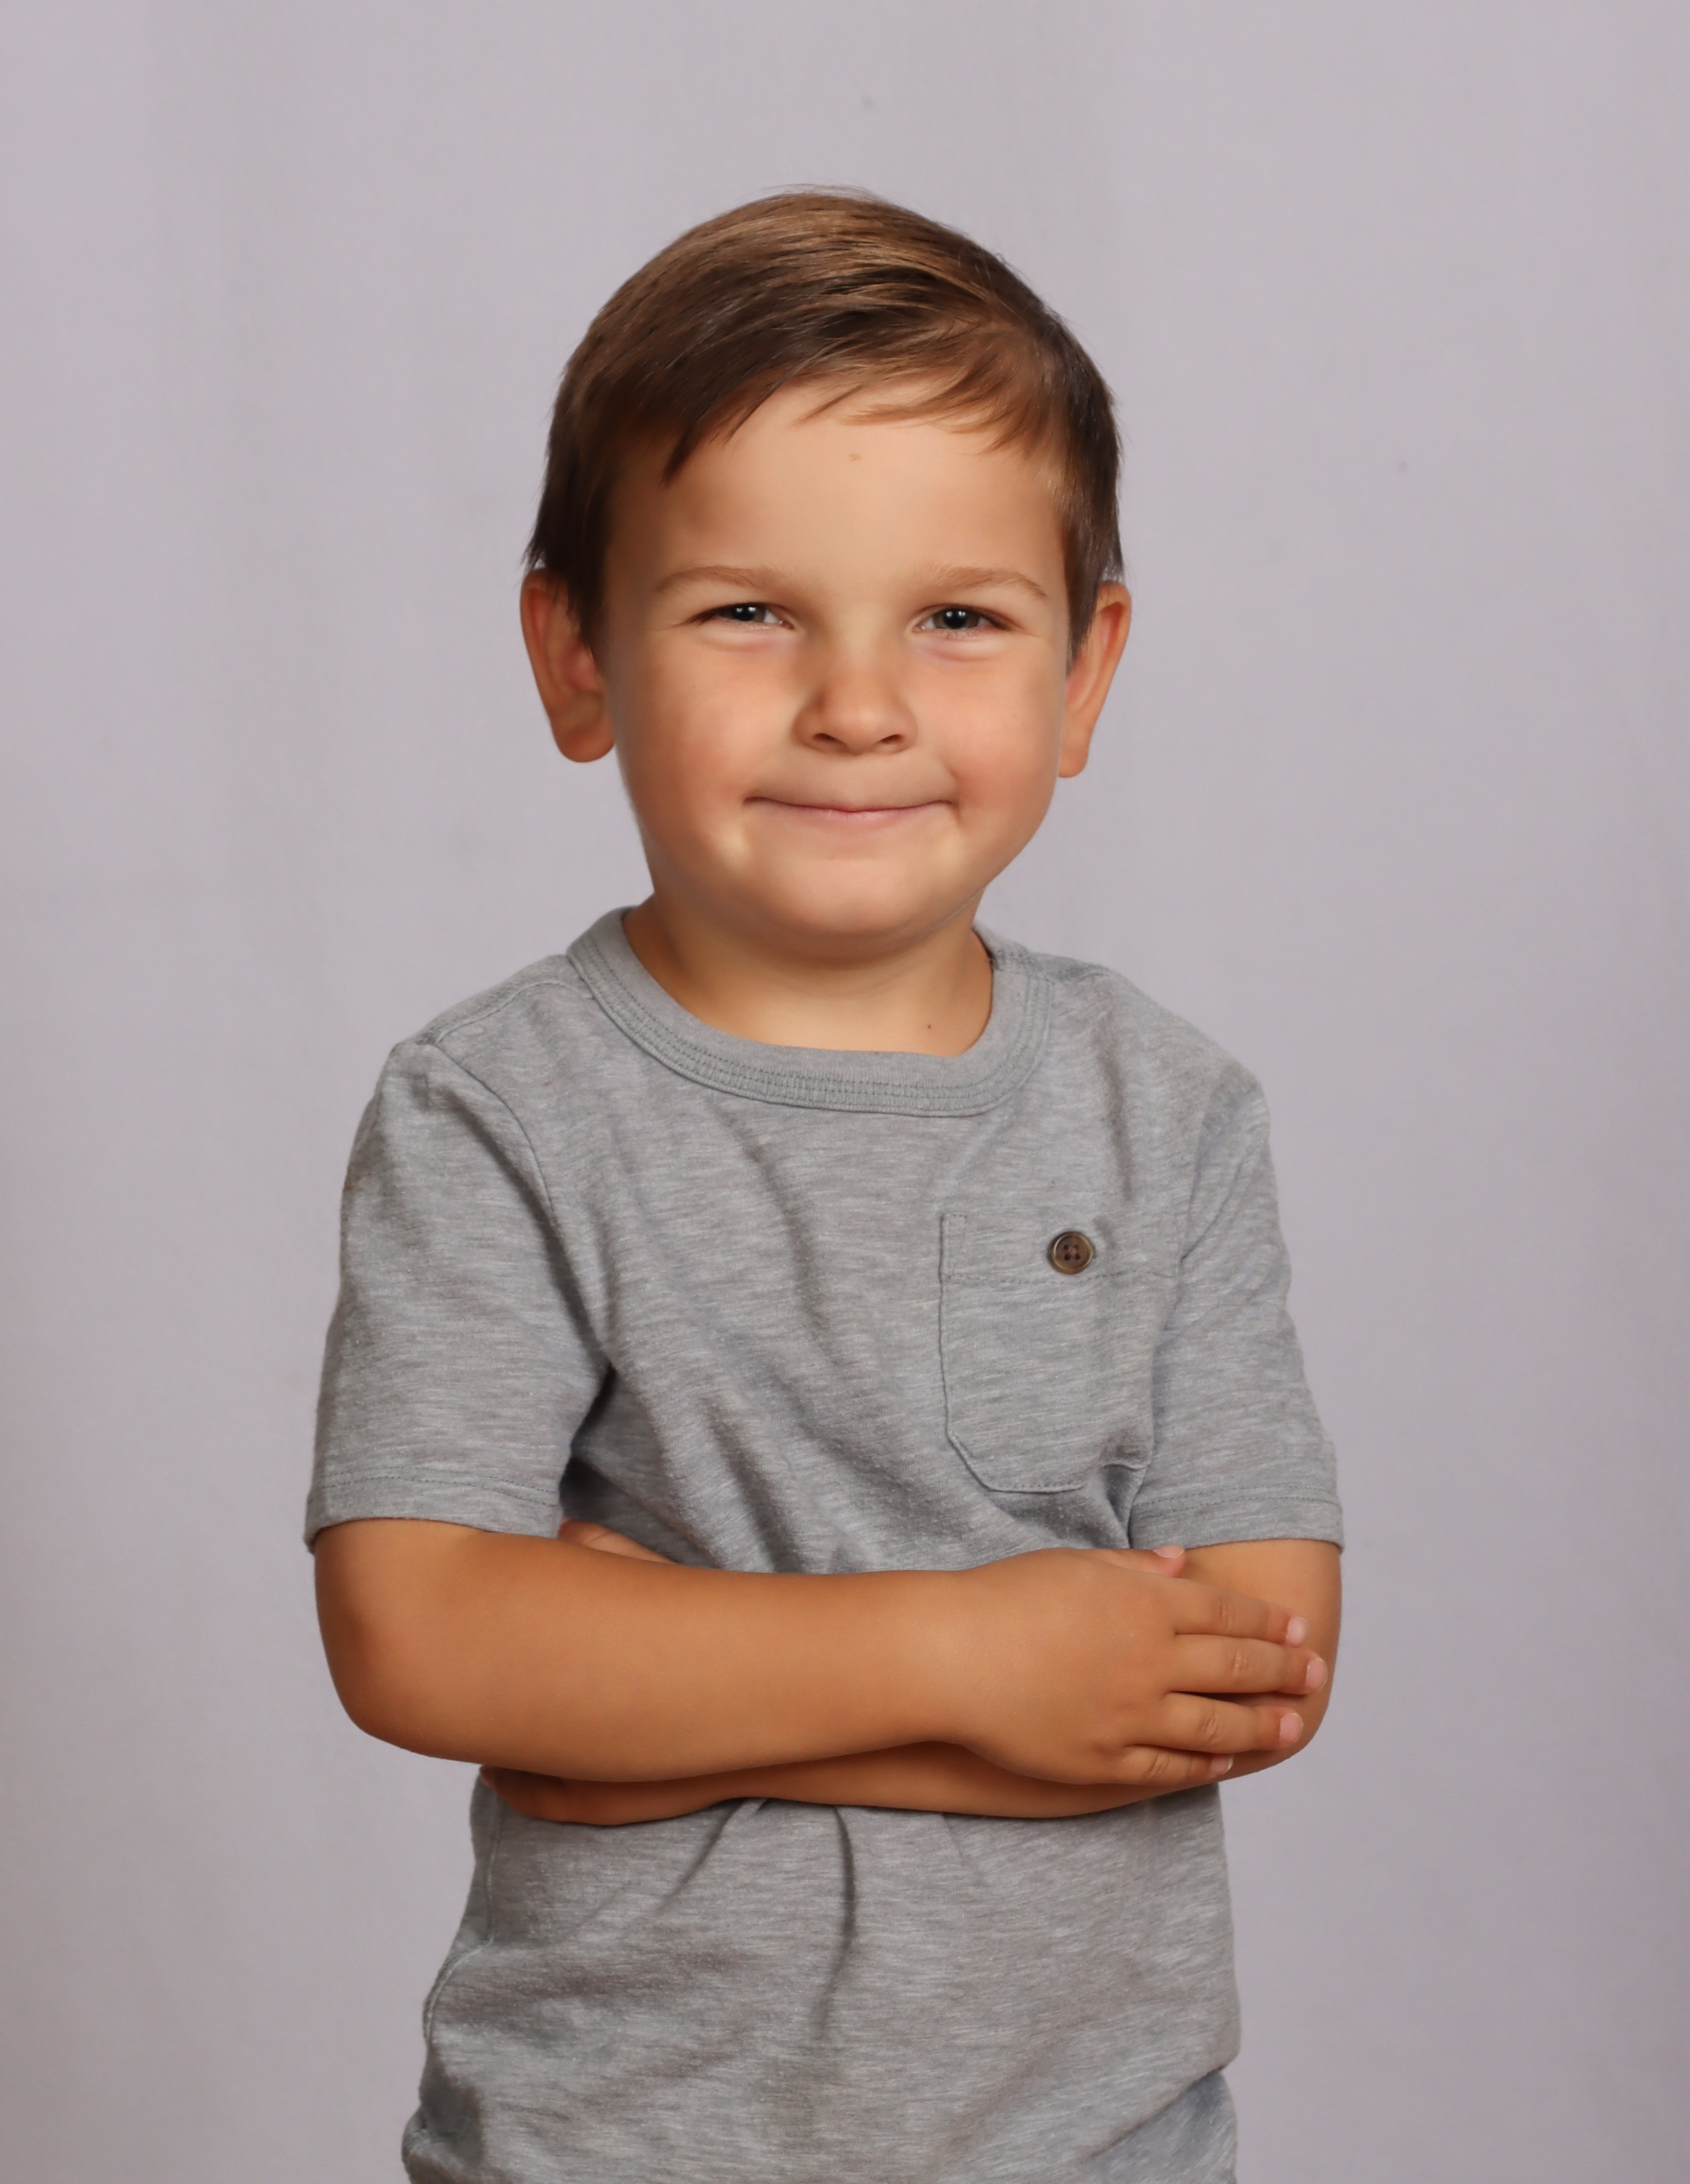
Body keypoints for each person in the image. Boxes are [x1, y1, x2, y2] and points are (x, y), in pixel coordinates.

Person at [308, 190, 1343, 2183]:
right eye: (747, 611)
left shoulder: (1169, 1108)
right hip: (609, 2142)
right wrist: (979, 1664)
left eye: (957, 618)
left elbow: (1258, 1651)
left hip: (1098, 2146)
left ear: (1084, 670)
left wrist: (655, 1708)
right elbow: (418, 1631)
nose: (857, 703)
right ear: (576, 654)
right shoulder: (498, 1105)